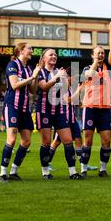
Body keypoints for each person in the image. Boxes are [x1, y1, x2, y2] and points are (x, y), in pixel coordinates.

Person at [36, 49, 82, 180]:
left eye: (55, 54)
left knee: (68, 140)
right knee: (46, 142)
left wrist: (64, 78)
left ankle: (73, 172)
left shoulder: (59, 72)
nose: (54, 56)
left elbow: (65, 91)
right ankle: (45, 172)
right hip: (44, 110)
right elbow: (44, 87)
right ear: (44, 58)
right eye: (50, 54)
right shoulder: (40, 72)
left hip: (59, 110)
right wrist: (57, 78)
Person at [0, 41, 41, 182]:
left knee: (27, 141)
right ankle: (2, 173)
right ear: (21, 51)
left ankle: (13, 171)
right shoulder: (12, 65)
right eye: (30, 48)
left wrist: (36, 74)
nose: (32, 50)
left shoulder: (28, 68)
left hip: (24, 108)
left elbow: (33, 91)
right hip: (12, 106)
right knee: (11, 138)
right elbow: (15, 84)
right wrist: (33, 77)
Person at [80, 21, 111, 178]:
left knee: (107, 140)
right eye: (98, 53)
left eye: (102, 53)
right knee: (88, 141)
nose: (101, 55)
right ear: (92, 55)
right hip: (90, 107)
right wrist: (95, 61)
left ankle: (103, 169)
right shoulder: (87, 68)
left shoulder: (108, 67)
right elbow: (88, 76)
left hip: (104, 109)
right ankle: (83, 168)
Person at [48, 69, 97, 173]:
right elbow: (67, 100)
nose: (75, 79)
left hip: (72, 119)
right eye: (73, 76)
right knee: (56, 142)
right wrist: (79, 89)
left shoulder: (70, 88)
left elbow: (72, 102)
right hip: (63, 119)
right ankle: (47, 163)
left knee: (78, 140)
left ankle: (83, 163)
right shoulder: (63, 87)